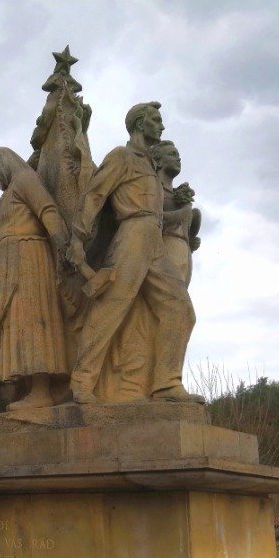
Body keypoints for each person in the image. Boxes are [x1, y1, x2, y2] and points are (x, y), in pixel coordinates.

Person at [67, 102, 201, 404]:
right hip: (132, 237)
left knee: (181, 310)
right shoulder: (122, 157)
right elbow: (94, 194)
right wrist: (77, 239)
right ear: (140, 124)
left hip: (154, 239)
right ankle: (82, 382)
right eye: (156, 121)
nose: (161, 126)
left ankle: (166, 382)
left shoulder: (151, 168)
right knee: (110, 309)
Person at [0, 147, 69, 410]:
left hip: (30, 257)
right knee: (17, 323)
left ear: (2, 165)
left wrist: (63, 247)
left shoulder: (25, 180)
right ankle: (29, 389)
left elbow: (48, 211)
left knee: (33, 320)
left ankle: (41, 391)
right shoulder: (9, 192)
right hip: (11, 262)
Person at [151, 139, 202, 285]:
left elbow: (195, 217)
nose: (178, 158)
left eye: (178, 155)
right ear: (158, 161)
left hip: (183, 260)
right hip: (162, 256)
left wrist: (191, 238)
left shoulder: (178, 196)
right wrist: (183, 213)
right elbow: (150, 218)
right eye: (172, 154)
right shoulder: (153, 189)